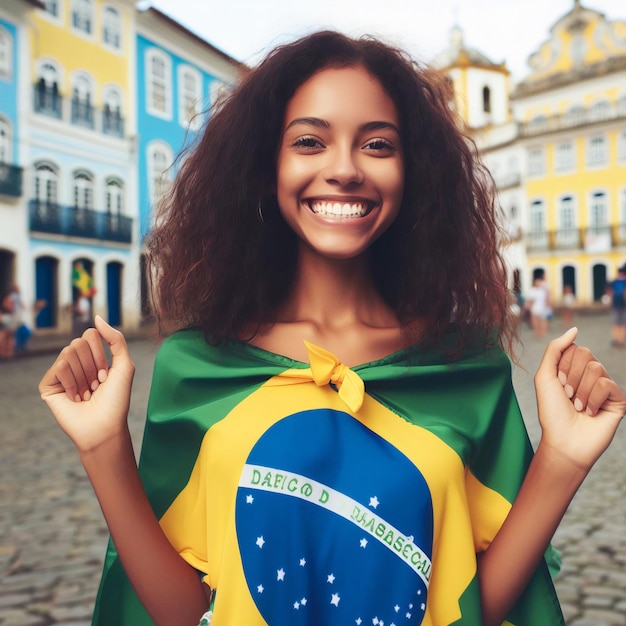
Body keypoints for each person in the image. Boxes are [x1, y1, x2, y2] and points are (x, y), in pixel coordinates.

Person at [38, 32, 625, 626]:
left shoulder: (464, 364)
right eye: (310, 141)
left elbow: (470, 605)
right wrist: (102, 447)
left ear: (412, 173)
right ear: (266, 168)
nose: (344, 169)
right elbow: (181, 611)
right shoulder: (198, 366)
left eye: (376, 144)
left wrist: (563, 459)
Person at [524, 272, 551, 339]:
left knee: (543, 320)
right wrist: (527, 306)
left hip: (543, 308)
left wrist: (548, 304)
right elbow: (530, 300)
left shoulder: (543, 290)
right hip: (535, 308)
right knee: (535, 321)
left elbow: (547, 298)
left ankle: (542, 332)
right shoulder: (533, 290)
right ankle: (537, 331)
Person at [607, 263, 626, 347]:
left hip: (618, 305)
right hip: (620, 305)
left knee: (617, 324)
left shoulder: (614, 281)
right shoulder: (617, 282)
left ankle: (618, 340)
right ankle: (620, 340)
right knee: (621, 324)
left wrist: (610, 302)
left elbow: (610, 292)